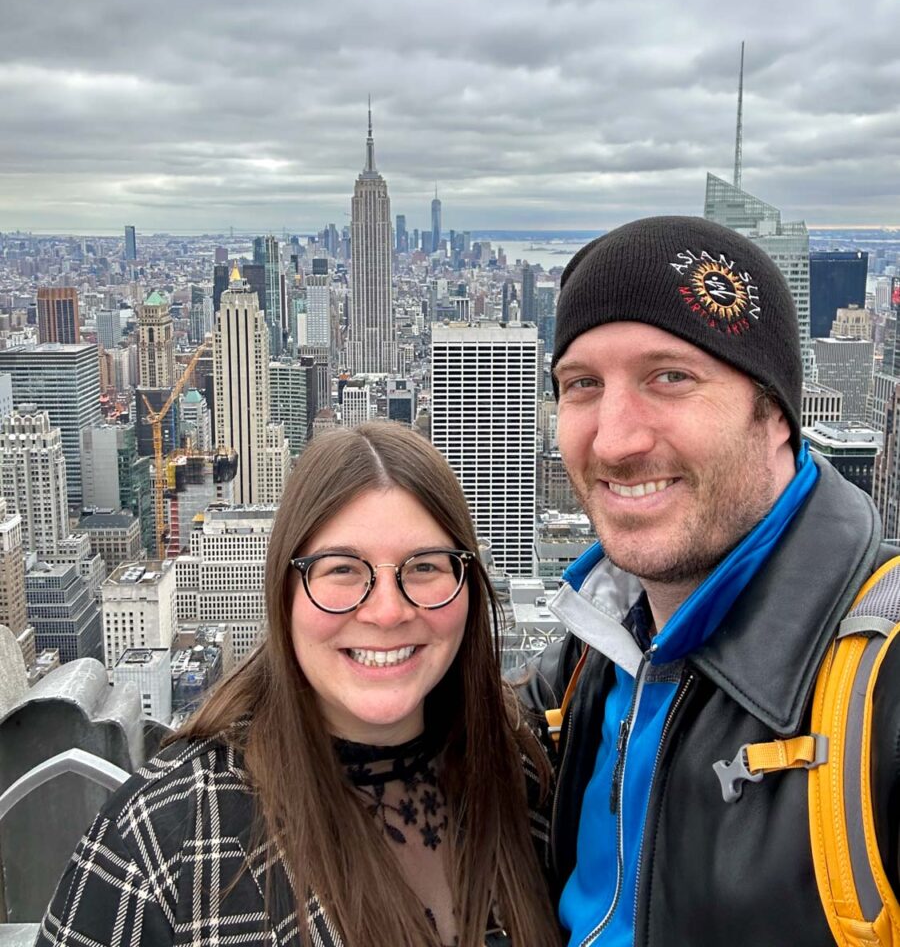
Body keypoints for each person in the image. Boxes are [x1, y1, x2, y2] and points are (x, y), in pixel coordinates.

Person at [520, 215, 899, 946]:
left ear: (776, 414)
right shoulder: (590, 663)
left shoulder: (880, 699)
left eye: (671, 377)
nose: (616, 437)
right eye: (582, 384)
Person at [38, 422, 560, 947]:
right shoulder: (162, 839)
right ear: (285, 592)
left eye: (424, 566)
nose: (386, 612)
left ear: (469, 583)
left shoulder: (525, 780)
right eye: (341, 570)